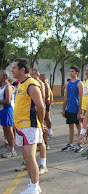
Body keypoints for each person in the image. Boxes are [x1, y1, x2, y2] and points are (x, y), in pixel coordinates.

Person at [11, 58, 45, 193]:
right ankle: (32, 185)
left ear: (22, 69)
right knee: (27, 158)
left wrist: (41, 124)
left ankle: (34, 187)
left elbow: (41, 107)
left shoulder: (31, 84)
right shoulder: (20, 83)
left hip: (29, 126)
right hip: (20, 126)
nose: (12, 70)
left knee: (30, 158)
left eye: (14, 68)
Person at [62, 66, 84, 152]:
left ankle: (80, 144)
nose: (71, 73)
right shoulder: (68, 83)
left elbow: (82, 98)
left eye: (73, 71)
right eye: (70, 71)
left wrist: (80, 110)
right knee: (71, 127)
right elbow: (66, 97)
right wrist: (63, 109)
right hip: (69, 109)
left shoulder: (79, 83)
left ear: (77, 73)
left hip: (76, 109)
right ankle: (70, 144)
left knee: (79, 127)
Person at [0, 70, 17, 158]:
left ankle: (12, 149)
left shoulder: (7, 87)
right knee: (5, 129)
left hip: (7, 110)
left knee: (9, 130)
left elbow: (7, 100)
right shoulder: (2, 87)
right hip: (2, 110)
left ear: (4, 77)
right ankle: (8, 144)